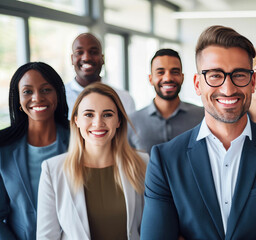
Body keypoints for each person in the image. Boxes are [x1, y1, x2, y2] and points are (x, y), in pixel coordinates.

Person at [141, 25, 256, 240]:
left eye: (239, 75)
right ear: (197, 84)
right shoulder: (165, 160)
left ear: (251, 82)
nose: (228, 88)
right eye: (215, 75)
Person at [37, 83, 147, 240]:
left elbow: (151, 229)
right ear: (76, 120)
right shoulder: (53, 170)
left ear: (118, 121)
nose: (98, 123)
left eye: (107, 114)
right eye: (89, 114)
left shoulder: (143, 164)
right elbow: (46, 236)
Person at [0, 62, 70, 240]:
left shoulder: (80, 140)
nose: (37, 98)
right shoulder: (3, 149)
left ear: (58, 94)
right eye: (28, 91)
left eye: (46, 89)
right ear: (18, 100)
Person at [128, 48, 204, 153]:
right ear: (150, 79)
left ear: (182, 77)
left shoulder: (202, 117)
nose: (168, 78)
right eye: (160, 72)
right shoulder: (132, 122)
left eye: (175, 72)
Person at [66, 32, 135, 119]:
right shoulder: (59, 98)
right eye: (79, 52)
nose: (86, 58)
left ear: (103, 59)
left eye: (93, 52)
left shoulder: (124, 99)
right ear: (72, 59)